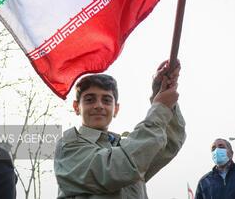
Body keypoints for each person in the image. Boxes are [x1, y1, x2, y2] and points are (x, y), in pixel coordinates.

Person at [54, 60, 185, 198]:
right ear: (76, 107)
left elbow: (170, 142)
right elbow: (119, 168)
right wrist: (160, 108)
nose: (99, 105)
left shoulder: (127, 150)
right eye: (90, 100)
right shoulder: (68, 146)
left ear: (116, 109)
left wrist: (161, 93)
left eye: (106, 100)